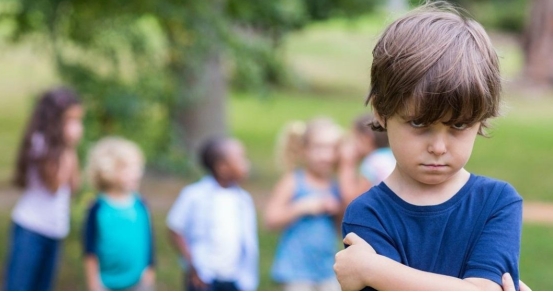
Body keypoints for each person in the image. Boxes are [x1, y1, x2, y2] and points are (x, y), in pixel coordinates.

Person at [334, 3, 524, 290]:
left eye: (458, 126)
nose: (438, 146)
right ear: (381, 112)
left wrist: (372, 269)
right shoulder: (367, 213)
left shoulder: (497, 202)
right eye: (420, 124)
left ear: (480, 119)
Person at [4, 87, 83, 290]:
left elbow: (74, 185)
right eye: (71, 120)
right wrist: (68, 146)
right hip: (31, 229)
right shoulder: (40, 143)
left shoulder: (65, 149)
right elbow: (55, 185)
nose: (76, 126)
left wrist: (71, 148)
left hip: (55, 230)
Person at [166, 136, 258, 291]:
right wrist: (192, 264)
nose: (246, 164)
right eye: (240, 159)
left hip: (237, 279)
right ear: (222, 168)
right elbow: (175, 228)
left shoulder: (244, 200)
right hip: (204, 278)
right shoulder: (194, 195)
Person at [265, 118, 343, 291]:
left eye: (332, 148)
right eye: (319, 148)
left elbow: (341, 229)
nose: (326, 155)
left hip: (326, 269)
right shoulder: (293, 181)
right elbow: (270, 220)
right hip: (296, 271)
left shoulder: (335, 185)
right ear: (304, 150)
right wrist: (301, 207)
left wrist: (337, 209)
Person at [82, 137, 156, 290]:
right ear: (108, 170)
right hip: (106, 284)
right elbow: (90, 251)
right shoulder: (97, 208)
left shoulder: (141, 205)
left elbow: (148, 239)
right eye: (128, 168)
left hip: (138, 282)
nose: (136, 173)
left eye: (137, 167)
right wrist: (94, 285)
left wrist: (150, 271)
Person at [338, 114, 395, 206]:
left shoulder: (374, 162)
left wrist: (347, 163)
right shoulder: (389, 156)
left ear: (367, 138)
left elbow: (352, 200)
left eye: (353, 137)